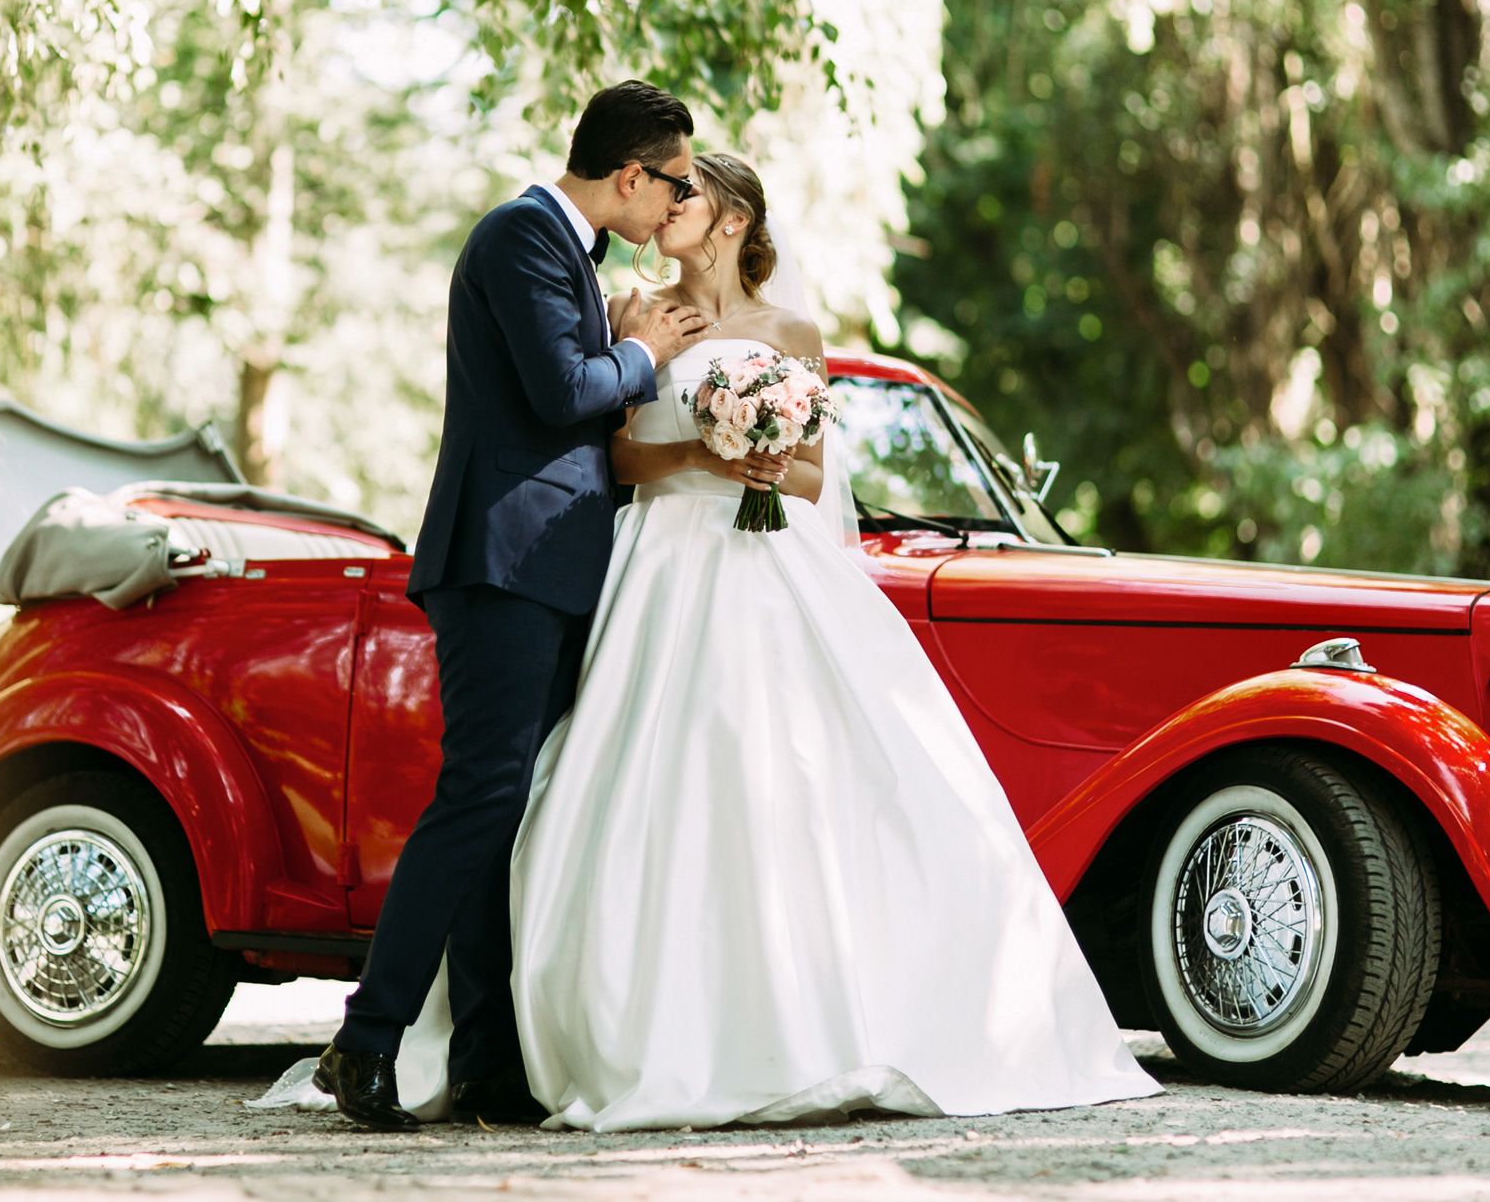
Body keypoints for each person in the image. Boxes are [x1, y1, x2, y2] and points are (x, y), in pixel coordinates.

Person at [269, 151, 1160, 1130]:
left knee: (796, 773)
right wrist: (697, 449)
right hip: (653, 561)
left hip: (770, 567)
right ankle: (562, 1037)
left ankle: (811, 1022)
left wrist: (769, 460)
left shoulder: (792, 331)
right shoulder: (630, 312)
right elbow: (609, 450)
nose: (664, 203)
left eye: (685, 192)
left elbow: (821, 477)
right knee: (609, 773)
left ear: (732, 219)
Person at [308, 81, 713, 1131]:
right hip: (501, 565)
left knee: (507, 808)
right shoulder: (522, 236)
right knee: (478, 796)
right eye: (668, 182)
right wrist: (642, 354)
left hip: (547, 568)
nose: (670, 203)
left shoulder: (566, 253)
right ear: (631, 173)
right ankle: (366, 1036)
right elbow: (555, 393)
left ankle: (487, 1058)